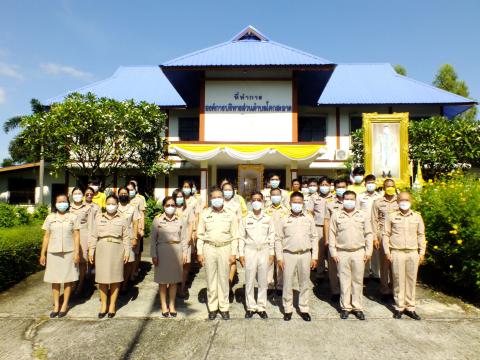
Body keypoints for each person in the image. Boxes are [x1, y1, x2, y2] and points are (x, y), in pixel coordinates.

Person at [196, 187, 240, 320]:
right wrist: (199, 252)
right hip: (209, 248)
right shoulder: (205, 213)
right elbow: (200, 235)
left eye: (219, 197)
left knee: (223, 279)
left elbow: (235, 235)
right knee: (210, 279)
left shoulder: (230, 214)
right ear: (210, 199)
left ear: (223, 198)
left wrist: (233, 253)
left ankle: (224, 307)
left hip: (225, 249)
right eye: (214, 197)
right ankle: (213, 307)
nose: (217, 199)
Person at [329, 190, 373, 320]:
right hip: (342, 252)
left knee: (358, 281)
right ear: (342, 200)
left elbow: (369, 234)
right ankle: (345, 307)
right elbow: (332, 234)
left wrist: (368, 251)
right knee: (344, 281)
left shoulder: (363, 215)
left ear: (355, 200)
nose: (349, 201)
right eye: (346, 199)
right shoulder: (336, 215)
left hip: (359, 252)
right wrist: (333, 252)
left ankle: (357, 307)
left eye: (351, 199)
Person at [276, 191, 318, 321]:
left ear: (303, 203)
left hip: (305, 254)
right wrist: (279, 257)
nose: (297, 205)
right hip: (288, 254)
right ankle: (288, 309)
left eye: (299, 202)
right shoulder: (284, 219)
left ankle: (304, 308)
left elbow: (314, 237)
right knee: (287, 283)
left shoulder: (309, 218)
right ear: (290, 203)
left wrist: (314, 256)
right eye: (294, 202)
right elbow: (278, 239)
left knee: (304, 283)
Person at [384, 192, 426, 320]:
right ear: (397, 202)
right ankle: (399, 307)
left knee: (411, 280)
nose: (404, 202)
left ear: (411, 201)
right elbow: (386, 234)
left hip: (412, 252)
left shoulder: (417, 217)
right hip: (397, 252)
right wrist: (387, 252)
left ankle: (410, 307)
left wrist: (422, 252)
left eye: (406, 200)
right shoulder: (391, 216)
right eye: (401, 200)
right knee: (398, 280)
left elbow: (421, 235)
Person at [89, 194, 130, 318]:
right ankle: (103, 305)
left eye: (113, 204)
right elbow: (93, 235)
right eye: (108, 203)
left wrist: (127, 251)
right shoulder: (99, 217)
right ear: (105, 204)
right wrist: (91, 250)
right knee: (102, 278)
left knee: (115, 278)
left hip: (117, 248)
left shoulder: (122, 218)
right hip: (101, 248)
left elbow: (126, 236)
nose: (110, 206)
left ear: (117, 205)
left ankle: (112, 305)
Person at [40, 194, 81, 318]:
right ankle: (56, 305)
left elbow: (76, 236)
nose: (62, 203)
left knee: (68, 280)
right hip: (53, 253)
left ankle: (65, 305)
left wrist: (77, 253)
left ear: (68, 203)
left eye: (64, 201)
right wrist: (43, 254)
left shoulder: (73, 217)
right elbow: (46, 236)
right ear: (55, 203)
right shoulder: (50, 217)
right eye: (59, 201)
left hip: (69, 252)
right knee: (55, 280)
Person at [151, 196, 189, 317]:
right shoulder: (157, 220)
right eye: (168, 205)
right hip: (162, 251)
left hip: (176, 251)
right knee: (162, 281)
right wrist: (153, 255)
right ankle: (163, 305)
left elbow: (184, 239)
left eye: (173, 205)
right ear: (163, 206)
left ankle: (172, 305)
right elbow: (152, 240)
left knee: (173, 281)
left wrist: (185, 254)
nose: (170, 207)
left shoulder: (180, 220)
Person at [239, 192, 275, 319]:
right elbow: (241, 237)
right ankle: (250, 307)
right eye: (254, 199)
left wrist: (272, 252)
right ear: (250, 202)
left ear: (263, 201)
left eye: (259, 199)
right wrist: (241, 253)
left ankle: (261, 306)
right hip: (250, 251)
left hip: (264, 251)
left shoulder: (268, 218)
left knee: (262, 281)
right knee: (249, 280)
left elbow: (272, 236)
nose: (256, 202)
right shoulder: (246, 218)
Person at [372, 178, 399, 302]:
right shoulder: (377, 202)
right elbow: (374, 220)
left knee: (395, 264)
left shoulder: (399, 201)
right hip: (382, 234)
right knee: (384, 264)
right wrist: (374, 238)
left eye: (392, 185)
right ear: (383, 187)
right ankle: (384, 290)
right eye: (387, 186)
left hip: (396, 234)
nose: (390, 187)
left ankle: (395, 290)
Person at [323, 178, 348, 302]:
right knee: (333, 267)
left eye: (343, 187)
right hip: (334, 239)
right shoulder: (330, 202)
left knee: (347, 268)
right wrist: (327, 239)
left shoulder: (353, 201)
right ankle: (335, 290)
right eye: (338, 187)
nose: (341, 189)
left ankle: (347, 291)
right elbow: (326, 221)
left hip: (348, 239)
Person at [70, 187, 98, 294]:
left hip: (84, 236)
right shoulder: (69, 207)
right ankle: (73, 282)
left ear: (82, 195)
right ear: (72, 195)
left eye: (79, 193)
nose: (77, 195)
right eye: (75, 193)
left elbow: (91, 226)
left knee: (82, 262)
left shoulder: (88, 208)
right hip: (71, 236)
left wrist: (91, 242)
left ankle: (81, 284)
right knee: (71, 261)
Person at [306, 176, 333, 281]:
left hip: (331, 227)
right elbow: (309, 212)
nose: (324, 187)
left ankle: (332, 272)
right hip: (318, 227)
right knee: (319, 252)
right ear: (319, 186)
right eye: (322, 185)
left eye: (326, 185)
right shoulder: (314, 197)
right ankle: (320, 273)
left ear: (330, 185)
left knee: (331, 251)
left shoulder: (334, 197)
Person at [264, 187, 290, 294]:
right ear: (270, 197)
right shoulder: (265, 210)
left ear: (281, 196)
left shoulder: (286, 210)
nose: (275, 197)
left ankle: (280, 285)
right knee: (269, 262)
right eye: (273, 195)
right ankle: (269, 284)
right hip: (269, 239)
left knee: (280, 263)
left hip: (282, 240)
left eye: (277, 195)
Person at [357, 174, 382, 278]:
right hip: (364, 226)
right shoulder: (360, 196)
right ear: (365, 184)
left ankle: (376, 273)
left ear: (375, 183)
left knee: (376, 250)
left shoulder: (380, 197)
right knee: (365, 249)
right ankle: (366, 273)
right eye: (368, 183)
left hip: (376, 226)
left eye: (372, 182)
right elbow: (357, 211)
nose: (370, 184)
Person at [117, 186, 140, 293]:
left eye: (125, 193)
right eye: (121, 193)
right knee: (117, 261)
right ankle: (117, 283)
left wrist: (135, 237)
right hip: (116, 238)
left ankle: (125, 283)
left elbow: (135, 223)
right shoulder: (114, 206)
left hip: (129, 237)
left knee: (129, 262)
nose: (123, 195)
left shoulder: (132, 208)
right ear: (118, 195)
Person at [172, 188, 194, 298]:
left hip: (185, 241)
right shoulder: (171, 208)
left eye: (181, 196)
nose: (179, 198)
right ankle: (172, 287)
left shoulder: (189, 209)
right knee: (175, 265)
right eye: (177, 196)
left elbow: (191, 224)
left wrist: (189, 238)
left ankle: (182, 287)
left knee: (185, 265)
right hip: (173, 241)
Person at [127, 181, 146, 280]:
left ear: (135, 190)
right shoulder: (123, 199)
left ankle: (133, 272)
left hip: (136, 228)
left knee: (135, 251)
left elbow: (142, 214)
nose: (130, 192)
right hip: (125, 228)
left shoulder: (139, 199)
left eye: (131, 190)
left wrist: (142, 228)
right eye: (128, 190)